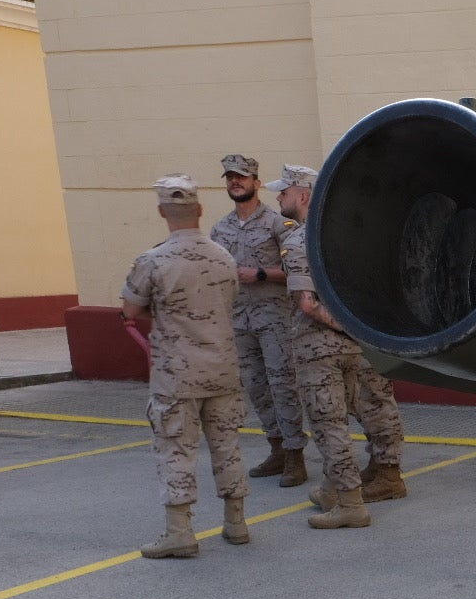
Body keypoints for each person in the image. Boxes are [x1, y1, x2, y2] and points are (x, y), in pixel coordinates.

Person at [264, 165, 407, 529]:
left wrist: (340, 327)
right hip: (358, 345)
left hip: (319, 347)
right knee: (364, 409)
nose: (278, 196)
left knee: (329, 424)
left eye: (284, 191)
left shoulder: (298, 241)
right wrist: (356, 331)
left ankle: (349, 502)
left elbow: (308, 304)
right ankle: (333, 488)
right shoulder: (349, 235)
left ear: (304, 195)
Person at [120, 175, 251, 557]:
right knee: (228, 447)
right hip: (223, 369)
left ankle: (180, 532)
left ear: (162, 211)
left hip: (177, 375)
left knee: (176, 450)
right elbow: (229, 302)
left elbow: (129, 310)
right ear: (200, 211)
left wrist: (165, 311)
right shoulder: (225, 257)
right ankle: (237, 523)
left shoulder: (153, 260)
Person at [210, 154, 308, 487]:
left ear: (256, 182)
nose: (235, 182)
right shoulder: (220, 228)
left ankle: (296, 453)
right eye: (229, 178)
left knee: (283, 384)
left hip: (275, 318)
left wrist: (262, 273)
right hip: (239, 320)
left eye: (241, 177)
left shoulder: (278, 224)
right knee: (255, 386)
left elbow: (299, 271)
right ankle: (277, 448)